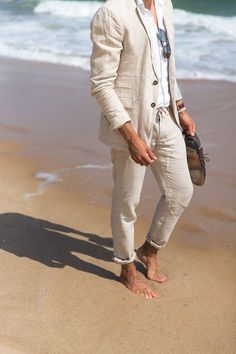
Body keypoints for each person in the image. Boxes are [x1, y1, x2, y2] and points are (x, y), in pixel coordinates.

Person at [90, 0, 195, 299]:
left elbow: (165, 66)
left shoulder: (165, 6)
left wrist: (181, 107)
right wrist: (131, 136)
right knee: (127, 202)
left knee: (181, 191)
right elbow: (101, 84)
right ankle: (126, 269)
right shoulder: (112, 12)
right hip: (132, 124)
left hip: (166, 117)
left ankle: (149, 249)